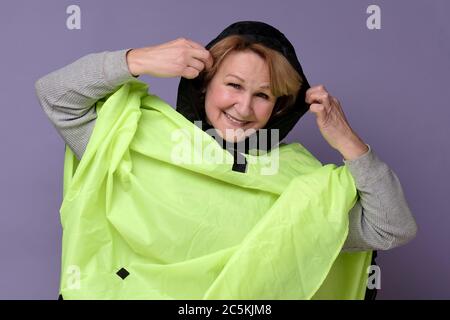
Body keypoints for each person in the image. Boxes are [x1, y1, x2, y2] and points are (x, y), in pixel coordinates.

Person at [35, 21, 417, 299]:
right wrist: (138, 59)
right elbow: (56, 96)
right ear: (205, 84)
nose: (244, 107)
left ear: (279, 107)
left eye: (263, 95)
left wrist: (347, 140)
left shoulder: (300, 184)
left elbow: (392, 227)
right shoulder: (134, 138)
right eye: (233, 85)